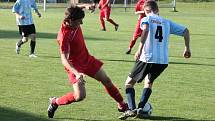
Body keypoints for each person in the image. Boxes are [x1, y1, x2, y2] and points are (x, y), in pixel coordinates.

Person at [47, 5, 128, 118]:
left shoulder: (71, 16)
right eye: (79, 21)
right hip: (74, 66)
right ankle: (55, 102)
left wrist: (86, 6)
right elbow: (64, 59)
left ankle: (122, 105)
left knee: (107, 81)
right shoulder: (64, 36)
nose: (81, 24)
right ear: (70, 21)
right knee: (79, 96)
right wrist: (76, 73)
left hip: (86, 59)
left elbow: (74, 8)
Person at [119, 0, 191, 120]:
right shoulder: (167, 22)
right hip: (163, 61)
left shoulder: (146, 19)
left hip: (147, 58)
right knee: (148, 82)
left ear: (146, 11)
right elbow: (186, 31)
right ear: (158, 10)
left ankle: (131, 109)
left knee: (129, 83)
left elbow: (146, 29)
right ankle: (141, 108)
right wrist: (187, 48)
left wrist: (139, 49)